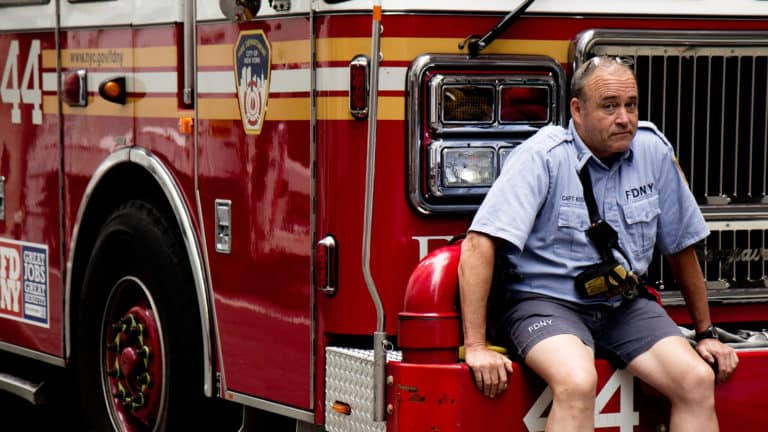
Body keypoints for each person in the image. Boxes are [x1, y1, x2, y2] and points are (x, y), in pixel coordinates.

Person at [459, 56, 739, 431]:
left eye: (631, 105)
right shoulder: (542, 156)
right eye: (609, 106)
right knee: (577, 381)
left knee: (696, 379)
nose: (624, 118)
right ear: (577, 109)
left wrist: (706, 334)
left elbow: (680, 246)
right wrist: (476, 346)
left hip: (622, 304)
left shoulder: (652, 151)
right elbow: (478, 245)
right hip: (545, 300)